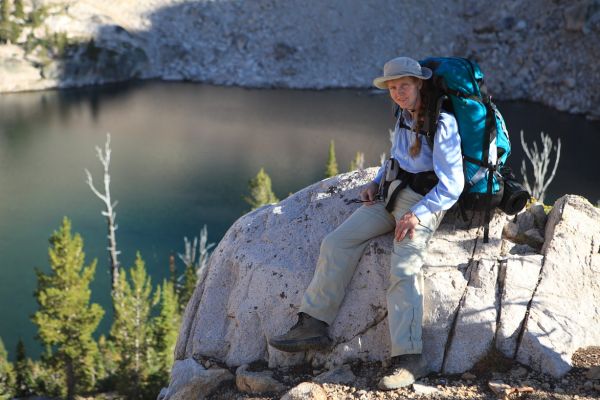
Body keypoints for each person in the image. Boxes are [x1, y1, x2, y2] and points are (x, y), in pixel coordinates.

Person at [268, 56, 465, 390]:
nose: (399, 92)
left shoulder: (442, 122)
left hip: (422, 202)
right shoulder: (404, 116)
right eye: (393, 87)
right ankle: (313, 323)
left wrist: (417, 213)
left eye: (404, 85)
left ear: (419, 83)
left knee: (403, 269)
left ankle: (410, 357)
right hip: (391, 194)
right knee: (337, 242)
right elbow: (398, 159)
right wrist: (376, 182)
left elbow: (453, 185)